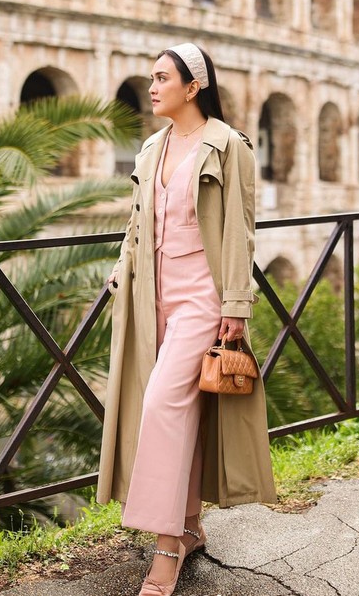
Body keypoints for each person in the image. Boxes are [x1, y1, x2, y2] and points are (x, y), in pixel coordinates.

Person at [97, 43, 276, 596]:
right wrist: (121, 268)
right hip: (152, 291)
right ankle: (192, 524)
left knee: (161, 402)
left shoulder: (228, 145)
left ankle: (166, 546)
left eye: (161, 78)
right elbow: (137, 222)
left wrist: (236, 308)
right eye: (150, 78)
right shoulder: (152, 147)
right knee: (184, 415)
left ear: (193, 85)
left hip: (202, 293)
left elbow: (241, 229)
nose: (151, 87)